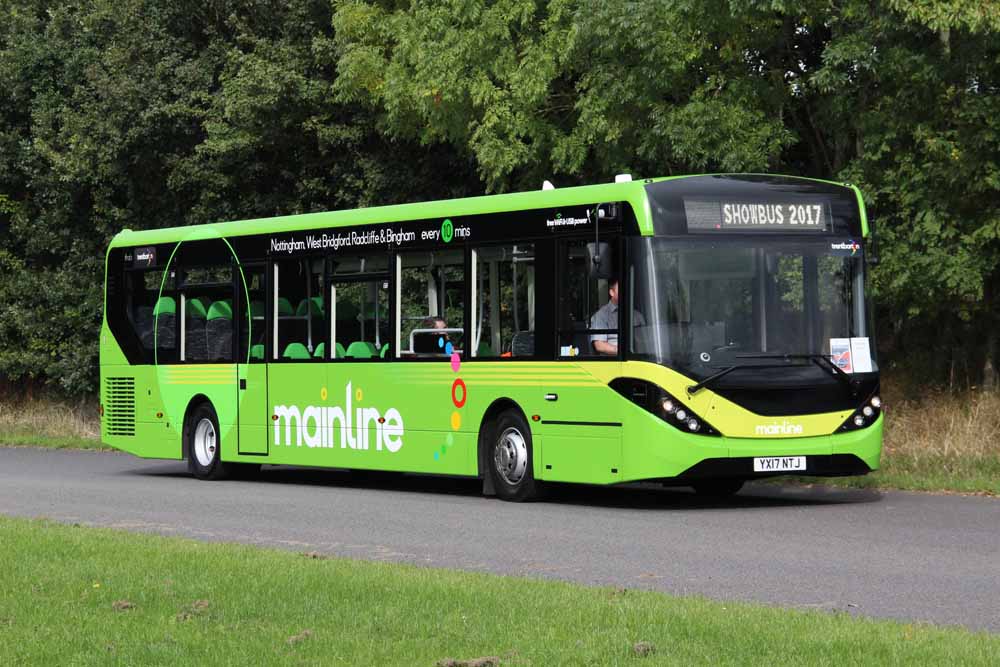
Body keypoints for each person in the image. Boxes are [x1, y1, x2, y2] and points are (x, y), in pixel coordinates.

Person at [589, 278, 645, 355]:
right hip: (613, 362)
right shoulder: (601, 315)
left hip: (640, 360)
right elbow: (599, 345)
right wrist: (625, 352)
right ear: (611, 292)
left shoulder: (637, 315)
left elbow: (646, 342)